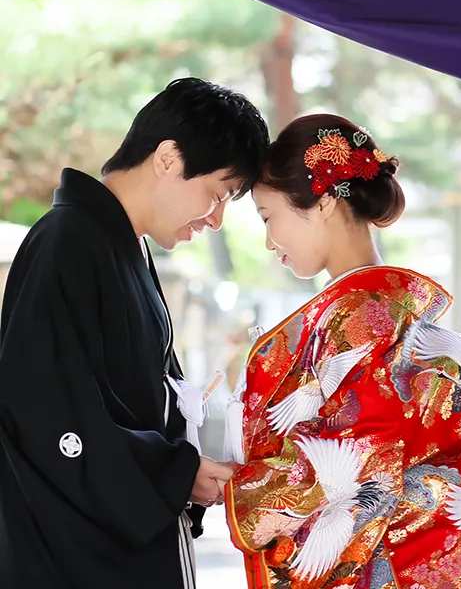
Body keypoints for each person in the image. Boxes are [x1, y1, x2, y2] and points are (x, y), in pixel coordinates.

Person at [0, 77, 270, 589]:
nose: (215, 220)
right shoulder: (67, 243)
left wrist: (187, 466)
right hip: (69, 561)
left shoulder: (124, 246)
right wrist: (174, 472)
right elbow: (47, 419)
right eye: (217, 194)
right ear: (168, 158)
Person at [226, 115, 461, 589]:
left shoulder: (359, 320)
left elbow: (353, 463)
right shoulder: (392, 315)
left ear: (322, 203)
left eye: (268, 217)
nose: (270, 241)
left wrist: (234, 488)